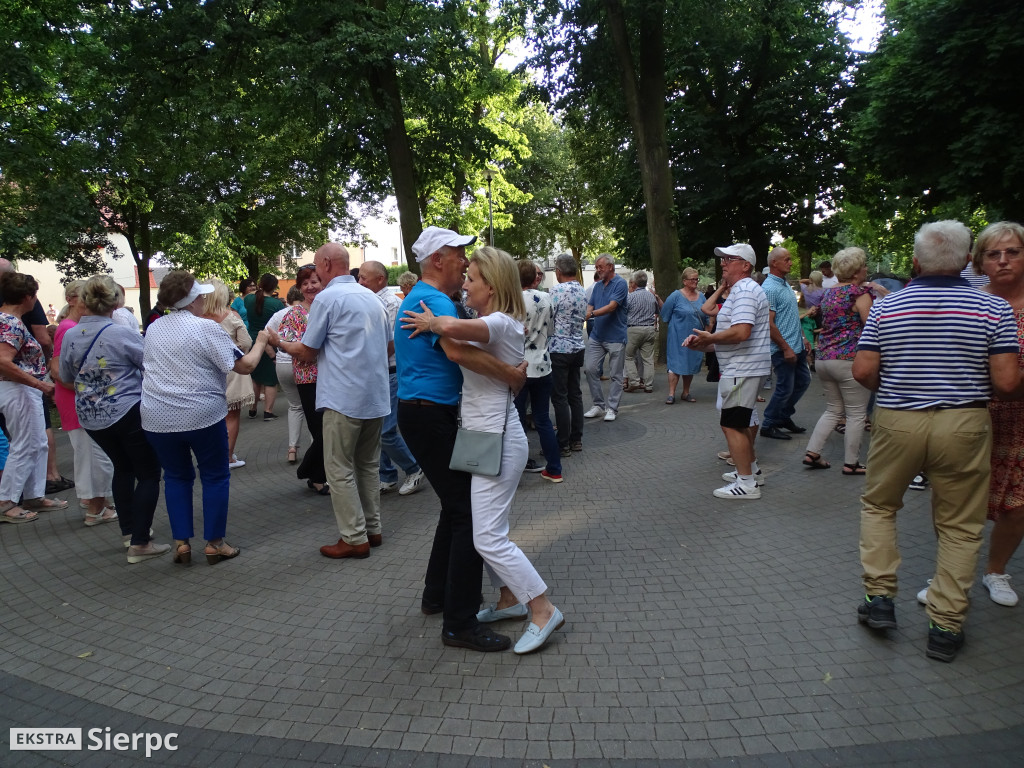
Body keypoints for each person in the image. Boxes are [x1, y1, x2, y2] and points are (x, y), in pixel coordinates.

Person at [852, 220, 1023, 663]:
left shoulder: (888, 307)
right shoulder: (993, 309)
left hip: (897, 420)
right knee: (960, 525)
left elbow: (863, 371)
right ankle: (945, 627)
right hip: (965, 423)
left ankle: (879, 599)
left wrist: (900, 388)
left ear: (914, 262)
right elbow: (1007, 383)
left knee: (880, 506)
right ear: (968, 261)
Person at [403, 247, 564, 654]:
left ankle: (542, 608)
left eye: (472, 279)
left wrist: (430, 321)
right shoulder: (494, 322)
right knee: (482, 529)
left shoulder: (499, 322)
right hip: (485, 437)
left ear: (491, 286)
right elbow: (457, 341)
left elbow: (452, 329)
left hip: (498, 439)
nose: (466, 285)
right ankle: (509, 599)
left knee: (488, 537)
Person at [395, 225, 526, 653]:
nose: (464, 263)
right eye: (458, 255)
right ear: (438, 259)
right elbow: (455, 350)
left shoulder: (422, 297)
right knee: (469, 515)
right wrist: (511, 376)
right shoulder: (434, 300)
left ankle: (437, 595)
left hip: (422, 413)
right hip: (431, 415)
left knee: (455, 509)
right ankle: (460, 623)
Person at [917, 222, 1024, 609]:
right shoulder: (970, 303)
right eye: (993, 254)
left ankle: (995, 570)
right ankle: (949, 573)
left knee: (1018, 504)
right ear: (978, 262)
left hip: (1021, 422)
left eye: (1013, 252)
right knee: (954, 500)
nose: (1003, 260)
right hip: (971, 416)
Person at [142, 271, 271, 566]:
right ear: (192, 301)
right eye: (200, 295)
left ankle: (182, 543)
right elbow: (245, 366)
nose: (204, 299)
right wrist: (262, 340)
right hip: (201, 413)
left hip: (157, 416)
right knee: (214, 475)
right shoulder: (206, 328)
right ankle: (215, 543)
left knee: (176, 477)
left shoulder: (154, 328)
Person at [280, 244, 389, 560]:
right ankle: (372, 529)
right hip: (375, 394)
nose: (315, 271)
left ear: (326, 263)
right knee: (367, 465)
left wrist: (279, 343)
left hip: (344, 397)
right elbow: (389, 346)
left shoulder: (328, 299)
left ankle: (354, 538)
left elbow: (307, 351)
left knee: (338, 468)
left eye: (316, 265)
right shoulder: (372, 298)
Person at [58, 275, 169, 562]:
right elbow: (150, 365)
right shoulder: (121, 333)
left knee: (122, 469)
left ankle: (129, 532)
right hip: (126, 411)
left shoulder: (70, 334)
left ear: (84, 301)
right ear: (115, 302)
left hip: (91, 416)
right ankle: (140, 543)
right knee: (148, 473)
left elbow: (66, 375)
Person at [684, 244, 771, 499]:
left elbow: (741, 332)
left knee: (733, 425)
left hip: (742, 368)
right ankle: (751, 472)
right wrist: (704, 344)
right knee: (740, 423)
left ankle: (746, 484)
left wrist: (710, 338)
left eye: (729, 259)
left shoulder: (744, 290)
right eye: (723, 259)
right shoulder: (743, 290)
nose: (723, 263)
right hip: (743, 366)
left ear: (745, 265)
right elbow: (735, 335)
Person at [802, 248, 885, 474]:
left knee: (833, 410)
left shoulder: (828, 293)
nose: (867, 268)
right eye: (864, 265)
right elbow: (872, 325)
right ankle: (851, 463)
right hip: (849, 359)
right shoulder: (859, 294)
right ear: (856, 271)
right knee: (857, 413)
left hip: (824, 358)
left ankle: (812, 452)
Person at [50, 280, 117, 527]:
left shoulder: (73, 327)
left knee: (91, 454)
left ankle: (97, 502)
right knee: (93, 454)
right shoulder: (68, 328)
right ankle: (95, 506)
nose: (90, 300)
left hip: (81, 397)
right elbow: (57, 369)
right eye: (84, 295)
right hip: (78, 399)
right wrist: (89, 390)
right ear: (71, 300)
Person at [357, 260, 426, 496]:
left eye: (364, 278)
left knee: (385, 431)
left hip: (390, 372)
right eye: (359, 277)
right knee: (375, 430)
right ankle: (387, 476)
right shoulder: (369, 300)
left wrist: (366, 362)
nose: (359, 282)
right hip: (377, 372)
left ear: (380, 279)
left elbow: (391, 343)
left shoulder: (391, 303)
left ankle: (414, 468)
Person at [0, 272, 64, 523]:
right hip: (18, 389)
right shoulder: (11, 323)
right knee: (25, 444)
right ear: (27, 297)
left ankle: (34, 495)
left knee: (37, 442)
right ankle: (6, 502)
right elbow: (3, 362)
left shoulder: (8, 320)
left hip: (22, 389)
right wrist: (39, 384)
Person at [273, 266, 328, 495]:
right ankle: (316, 476)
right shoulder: (294, 314)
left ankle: (311, 470)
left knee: (331, 429)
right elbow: (286, 345)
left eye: (314, 281)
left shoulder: (329, 306)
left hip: (333, 376)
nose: (310, 287)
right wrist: (307, 348)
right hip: (308, 378)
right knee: (319, 429)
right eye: (305, 283)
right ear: (299, 288)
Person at [513, 260, 561, 482]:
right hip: (543, 365)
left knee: (518, 419)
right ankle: (554, 468)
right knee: (543, 419)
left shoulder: (511, 300)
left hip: (519, 367)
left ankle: (519, 466)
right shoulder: (546, 297)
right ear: (534, 277)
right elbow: (550, 330)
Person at [759, 247, 812, 440]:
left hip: (796, 346)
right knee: (785, 388)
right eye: (787, 259)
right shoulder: (769, 289)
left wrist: (803, 337)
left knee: (803, 381)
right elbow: (769, 323)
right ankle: (768, 424)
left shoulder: (785, 284)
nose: (791, 262)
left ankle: (782, 416)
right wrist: (785, 348)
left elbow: (792, 316)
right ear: (774, 262)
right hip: (783, 349)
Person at [202, 279, 254, 469]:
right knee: (232, 416)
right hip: (232, 370)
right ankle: (228, 457)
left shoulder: (198, 318)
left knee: (211, 418)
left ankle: (212, 455)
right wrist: (234, 350)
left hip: (207, 372)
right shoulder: (231, 316)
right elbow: (247, 342)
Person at [548, 253, 587, 456]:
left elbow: (549, 317)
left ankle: (562, 443)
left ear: (558, 272)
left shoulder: (556, 291)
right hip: (578, 347)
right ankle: (576, 439)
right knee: (575, 395)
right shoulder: (582, 290)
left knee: (560, 397)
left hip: (559, 349)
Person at [583, 254, 628, 422]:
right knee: (590, 369)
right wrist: (587, 312)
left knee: (616, 375)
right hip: (597, 336)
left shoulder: (620, 283)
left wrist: (591, 314)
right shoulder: (598, 286)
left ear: (610, 266)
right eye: (596, 267)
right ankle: (598, 405)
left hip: (616, 336)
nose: (598, 270)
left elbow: (612, 307)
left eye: (600, 267)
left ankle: (612, 408)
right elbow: (590, 304)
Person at [266, 285, 306, 465]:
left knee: (295, 407)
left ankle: (292, 448)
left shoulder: (279, 315)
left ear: (288, 298)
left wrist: (274, 356)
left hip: (283, 364)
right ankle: (316, 448)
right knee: (313, 407)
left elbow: (265, 336)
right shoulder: (307, 313)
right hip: (304, 364)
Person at [661, 267, 707, 403]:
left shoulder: (702, 297)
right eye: (692, 279)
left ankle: (686, 392)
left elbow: (706, 315)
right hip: (677, 337)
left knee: (690, 363)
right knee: (675, 364)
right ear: (684, 281)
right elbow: (665, 314)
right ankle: (671, 393)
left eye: (697, 279)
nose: (695, 281)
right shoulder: (675, 296)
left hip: (694, 337)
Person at [243, 273, 284, 420]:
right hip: (268, 341)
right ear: (274, 287)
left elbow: (250, 296)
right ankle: (268, 411)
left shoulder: (249, 299)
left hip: (252, 339)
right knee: (270, 379)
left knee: (255, 377)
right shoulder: (276, 304)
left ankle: (252, 409)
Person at [624, 271, 659, 394]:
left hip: (633, 329)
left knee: (628, 356)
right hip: (649, 329)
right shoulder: (651, 296)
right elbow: (657, 311)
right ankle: (648, 385)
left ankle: (634, 381)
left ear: (634, 282)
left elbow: (624, 312)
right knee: (648, 359)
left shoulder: (630, 297)